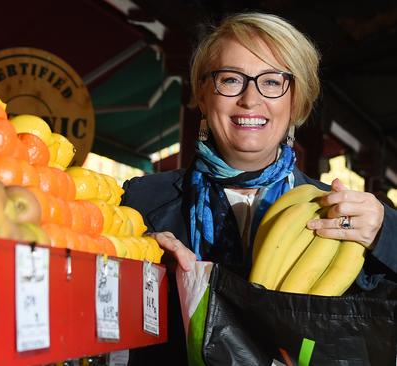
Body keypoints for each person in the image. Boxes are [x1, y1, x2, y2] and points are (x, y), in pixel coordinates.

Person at [122, 12, 397, 365]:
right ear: (204, 95)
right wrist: (140, 266)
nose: (250, 100)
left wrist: (385, 233)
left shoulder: (340, 215)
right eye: (231, 79)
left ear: (297, 101)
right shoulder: (141, 202)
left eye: (271, 82)